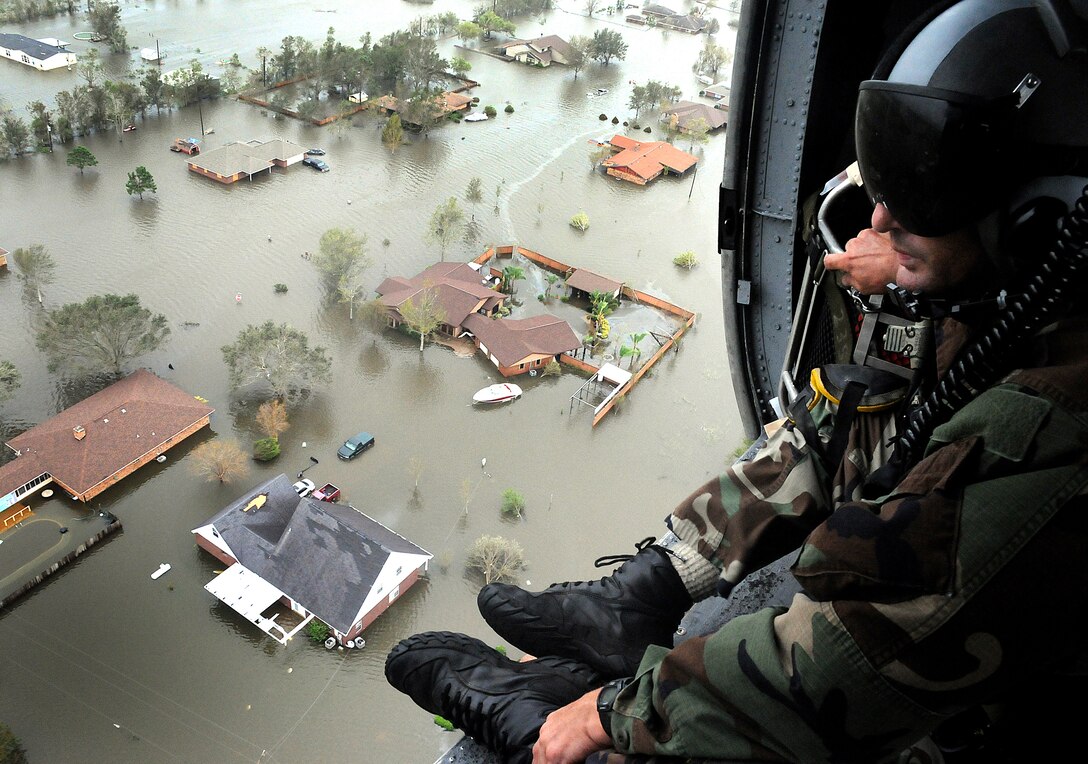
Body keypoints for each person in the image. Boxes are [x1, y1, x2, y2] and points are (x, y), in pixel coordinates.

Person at [386, 2, 1088, 762]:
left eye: (923, 200)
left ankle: (544, 736)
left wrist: (605, 718)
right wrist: (921, 284)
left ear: (1045, 218)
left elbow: (834, 671)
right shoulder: (1035, 311)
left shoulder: (1057, 430)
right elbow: (889, 425)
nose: (880, 218)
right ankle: (646, 592)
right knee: (854, 398)